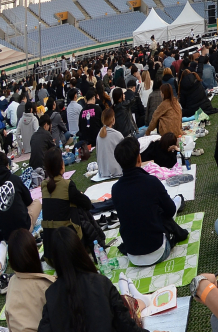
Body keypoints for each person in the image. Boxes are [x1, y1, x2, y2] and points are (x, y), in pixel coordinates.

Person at [38, 226, 169, 332]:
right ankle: (137, 299)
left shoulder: (52, 294)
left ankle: (135, 298)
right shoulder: (100, 283)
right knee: (128, 312)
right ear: (81, 251)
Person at [111, 138, 189, 266]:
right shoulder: (151, 182)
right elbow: (170, 211)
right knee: (166, 209)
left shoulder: (115, 189)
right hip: (158, 251)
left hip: (132, 254)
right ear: (139, 158)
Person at [39, 149, 95, 246]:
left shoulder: (44, 185)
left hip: (50, 245)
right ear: (61, 165)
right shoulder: (67, 185)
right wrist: (80, 195)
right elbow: (87, 204)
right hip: (68, 242)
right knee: (79, 208)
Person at [0, 153, 38, 243]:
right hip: (24, 230)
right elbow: (29, 201)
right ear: (7, 166)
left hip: (5, 236)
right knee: (37, 203)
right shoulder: (14, 179)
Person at [93, 107, 124, 179]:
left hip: (103, 171)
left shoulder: (99, 135)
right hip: (117, 171)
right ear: (113, 120)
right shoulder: (117, 135)